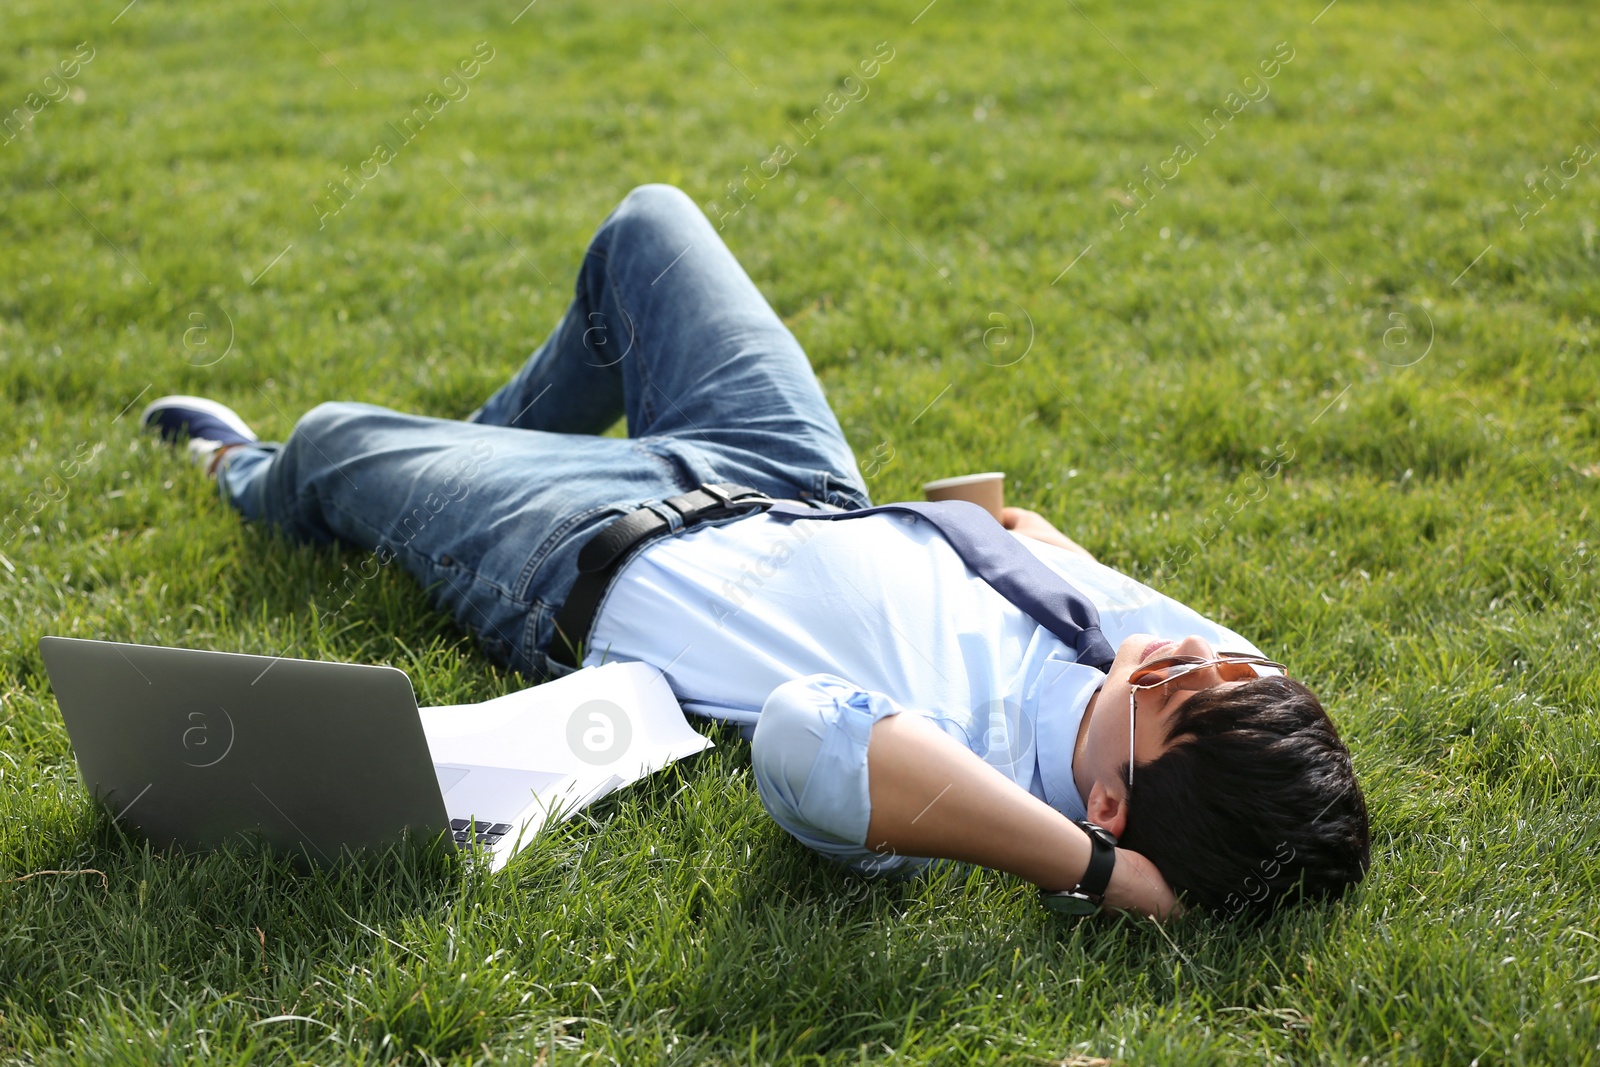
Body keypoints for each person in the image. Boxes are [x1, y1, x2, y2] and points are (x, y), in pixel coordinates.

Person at [141, 184, 1369, 920]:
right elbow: (1037, 540)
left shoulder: (962, 782)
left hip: (582, 548)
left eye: (1177, 691)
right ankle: (467, 452)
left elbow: (807, 731)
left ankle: (254, 477)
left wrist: (1110, 877)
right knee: (647, 230)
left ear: (1106, 803)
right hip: (786, 474)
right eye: (1224, 665)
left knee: (331, 441)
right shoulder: (1198, 681)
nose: (1188, 654)